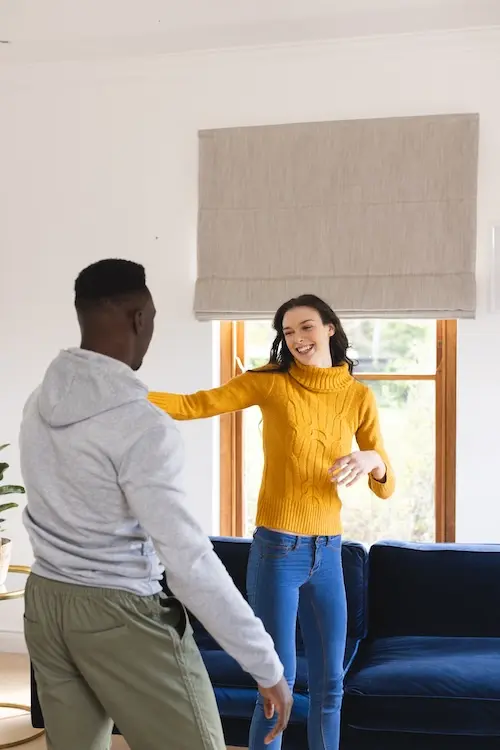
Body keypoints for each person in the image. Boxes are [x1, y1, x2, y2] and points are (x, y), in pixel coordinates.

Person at [19, 259, 292, 750]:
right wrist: (265, 663)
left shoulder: (38, 402)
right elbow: (188, 562)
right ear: (140, 318)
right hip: (120, 610)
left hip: (45, 602)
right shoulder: (142, 425)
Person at [149, 293, 395, 750]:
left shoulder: (358, 396)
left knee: (330, 686)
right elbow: (194, 404)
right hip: (278, 550)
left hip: (329, 553)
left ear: (330, 330)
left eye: (305, 327)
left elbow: (385, 484)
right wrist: (126, 397)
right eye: (287, 331)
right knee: (275, 685)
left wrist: (372, 457)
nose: (296, 338)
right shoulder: (270, 382)